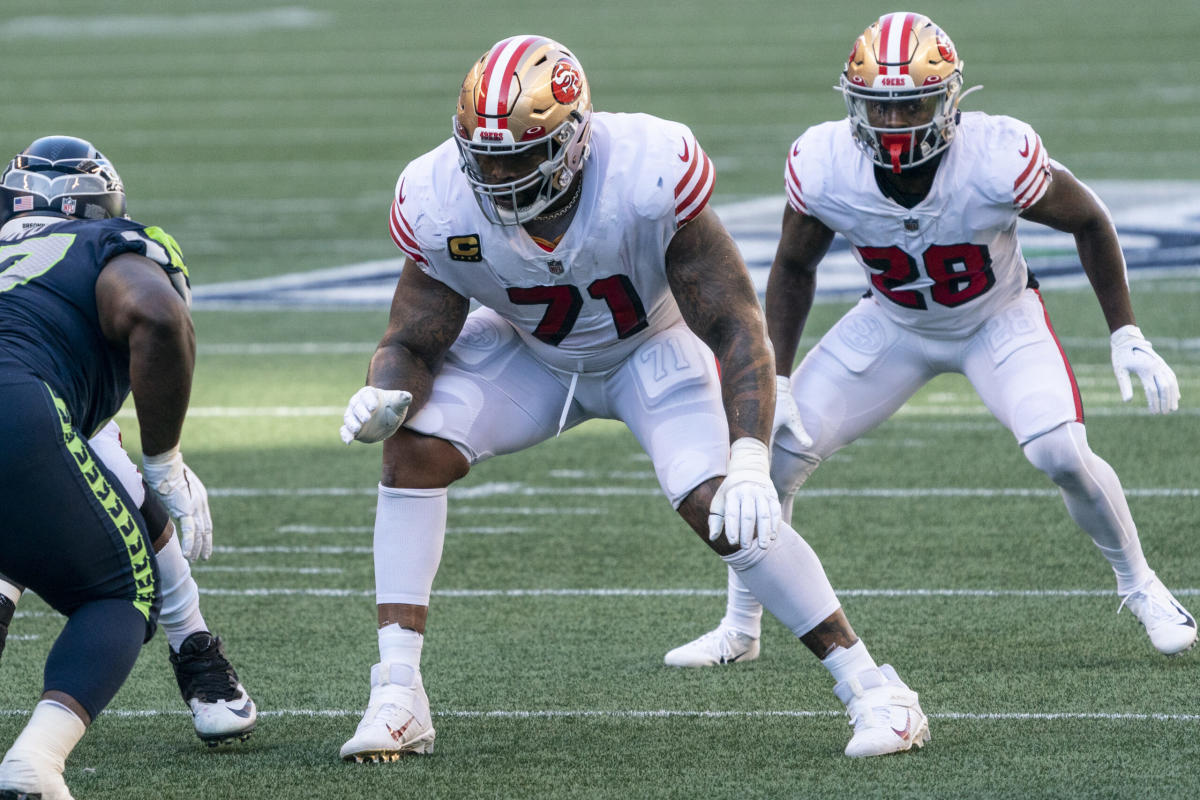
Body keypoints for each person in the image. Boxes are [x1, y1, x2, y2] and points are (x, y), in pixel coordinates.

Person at [338, 34, 930, 763]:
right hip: (533, 353)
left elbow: (735, 322)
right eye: (483, 154)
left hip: (649, 348)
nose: (497, 174)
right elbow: (413, 340)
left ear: (574, 139)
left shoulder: (647, 170)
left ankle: (877, 692)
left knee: (721, 509)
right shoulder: (438, 197)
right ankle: (398, 694)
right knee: (414, 451)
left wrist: (749, 457)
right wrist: (384, 393)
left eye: (521, 154)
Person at [665, 12, 1195, 671]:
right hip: (894, 322)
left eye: (911, 105)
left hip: (997, 318)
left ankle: (1141, 585)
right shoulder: (824, 163)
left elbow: (1089, 219)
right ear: (852, 104)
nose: (894, 126)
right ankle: (740, 629)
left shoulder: (998, 157)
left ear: (948, 100)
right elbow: (794, 267)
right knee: (771, 455)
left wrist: (1126, 333)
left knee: (1059, 448)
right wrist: (778, 378)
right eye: (879, 109)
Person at [0, 135, 217, 799]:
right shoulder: (109, 242)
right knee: (117, 592)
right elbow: (157, 312)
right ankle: (35, 760)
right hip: (15, 397)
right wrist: (165, 460)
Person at [0, 419, 257, 748]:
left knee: (117, 482)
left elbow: (156, 367)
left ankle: (192, 641)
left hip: (70, 406)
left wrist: (165, 462)